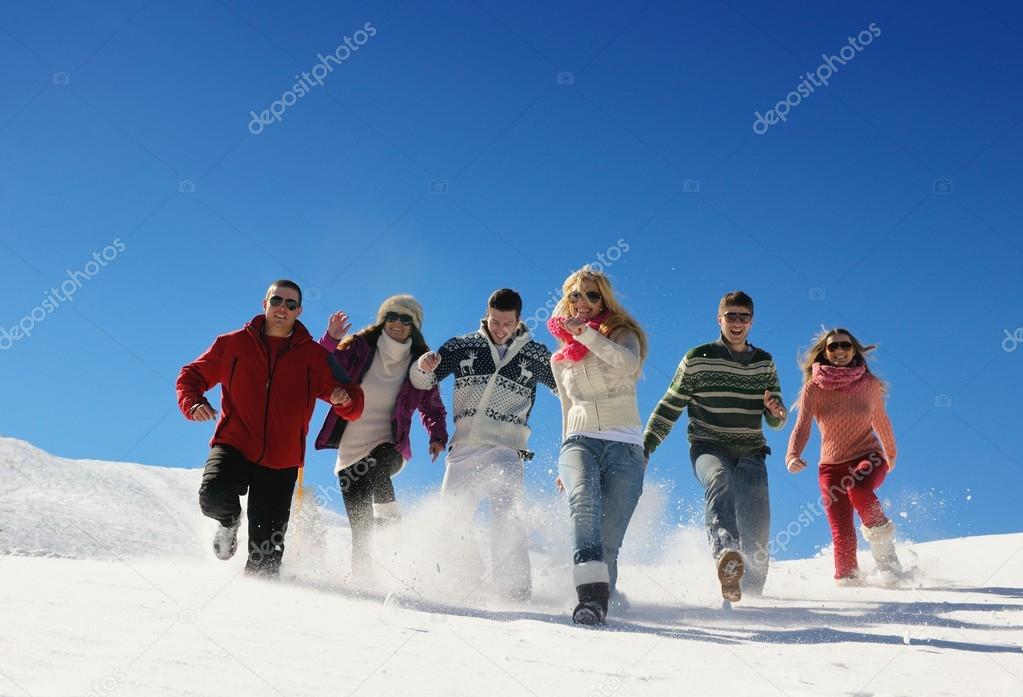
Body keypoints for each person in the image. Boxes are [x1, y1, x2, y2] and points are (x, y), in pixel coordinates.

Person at [177, 279, 364, 577]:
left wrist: (343, 401)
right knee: (213, 496)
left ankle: (261, 615)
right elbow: (191, 376)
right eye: (277, 301)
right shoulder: (233, 344)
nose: (282, 308)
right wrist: (194, 403)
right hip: (234, 443)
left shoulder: (315, 357)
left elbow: (355, 398)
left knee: (265, 558)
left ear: (299, 311)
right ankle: (229, 521)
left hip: (282, 459)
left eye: (291, 304)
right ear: (264, 304)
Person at [410, 288, 556, 601]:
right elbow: (423, 382)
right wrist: (423, 367)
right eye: (495, 322)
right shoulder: (462, 347)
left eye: (508, 324)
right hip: (465, 446)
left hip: (506, 447)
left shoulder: (536, 354)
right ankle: (466, 579)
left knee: (507, 515)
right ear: (486, 315)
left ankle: (514, 590)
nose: (500, 329)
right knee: (451, 516)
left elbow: (566, 387)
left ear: (519, 321)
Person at [643, 290, 786, 603]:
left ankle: (751, 593)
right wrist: (646, 446)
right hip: (709, 445)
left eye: (743, 317)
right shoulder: (698, 358)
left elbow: (774, 417)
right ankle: (726, 557)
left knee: (757, 522)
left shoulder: (764, 362)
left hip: (751, 451)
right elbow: (671, 405)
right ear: (719, 319)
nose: (737, 322)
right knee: (719, 478)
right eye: (730, 316)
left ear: (751, 322)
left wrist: (777, 414)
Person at [314, 295, 448, 584]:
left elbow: (432, 406)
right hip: (350, 452)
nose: (398, 323)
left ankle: (389, 518)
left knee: (377, 466)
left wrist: (437, 435)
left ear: (415, 326)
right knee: (361, 532)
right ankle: (365, 586)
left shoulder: (419, 363)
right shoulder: (359, 349)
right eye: (392, 317)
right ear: (383, 320)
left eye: (405, 319)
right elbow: (320, 365)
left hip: (391, 446)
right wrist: (330, 339)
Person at [547, 268, 648, 625]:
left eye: (592, 296)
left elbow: (627, 364)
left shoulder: (623, 335)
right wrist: (564, 461)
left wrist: (587, 337)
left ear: (604, 301)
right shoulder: (559, 359)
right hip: (579, 440)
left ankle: (606, 597)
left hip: (625, 447)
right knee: (584, 504)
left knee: (607, 544)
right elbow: (566, 408)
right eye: (576, 295)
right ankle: (590, 600)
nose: (583, 302)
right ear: (567, 301)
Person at [785, 327, 902, 584]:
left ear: (854, 350)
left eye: (845, 346)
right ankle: (849, 585)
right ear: (825, 353)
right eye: (833, 347)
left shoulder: (869, 385)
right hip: (831, 468)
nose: (839, 351)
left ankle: (888, 563)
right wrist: (793, 454)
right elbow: (802, 425)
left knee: (858, 488)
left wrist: (890, 452)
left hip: (868, 456)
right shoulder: (813, 388)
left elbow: (882, 420)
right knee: (842, 531)